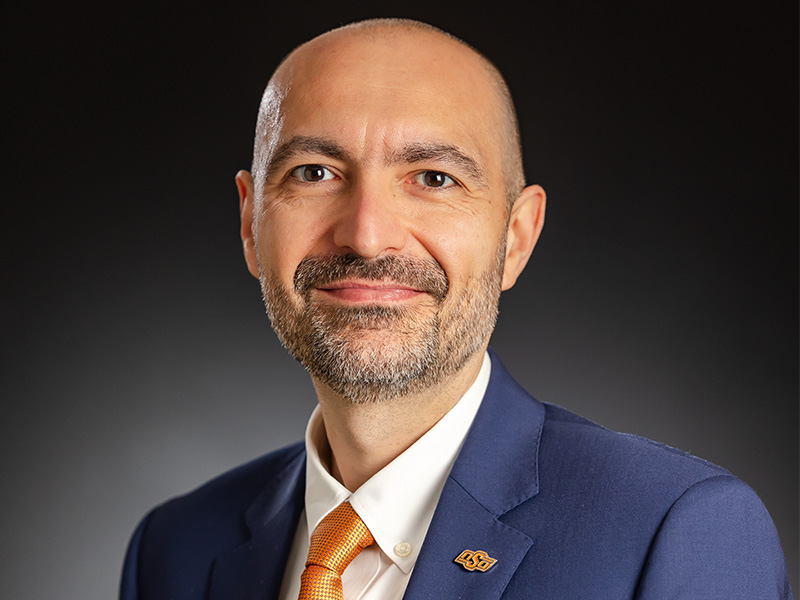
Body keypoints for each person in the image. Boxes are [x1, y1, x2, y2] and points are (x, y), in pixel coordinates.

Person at [120, 18, 793, 600]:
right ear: (249, 224)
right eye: (315, 173)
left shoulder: (676, 531)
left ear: (516, 237)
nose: (367, 234)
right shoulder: (176, 550)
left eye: (434, 179)